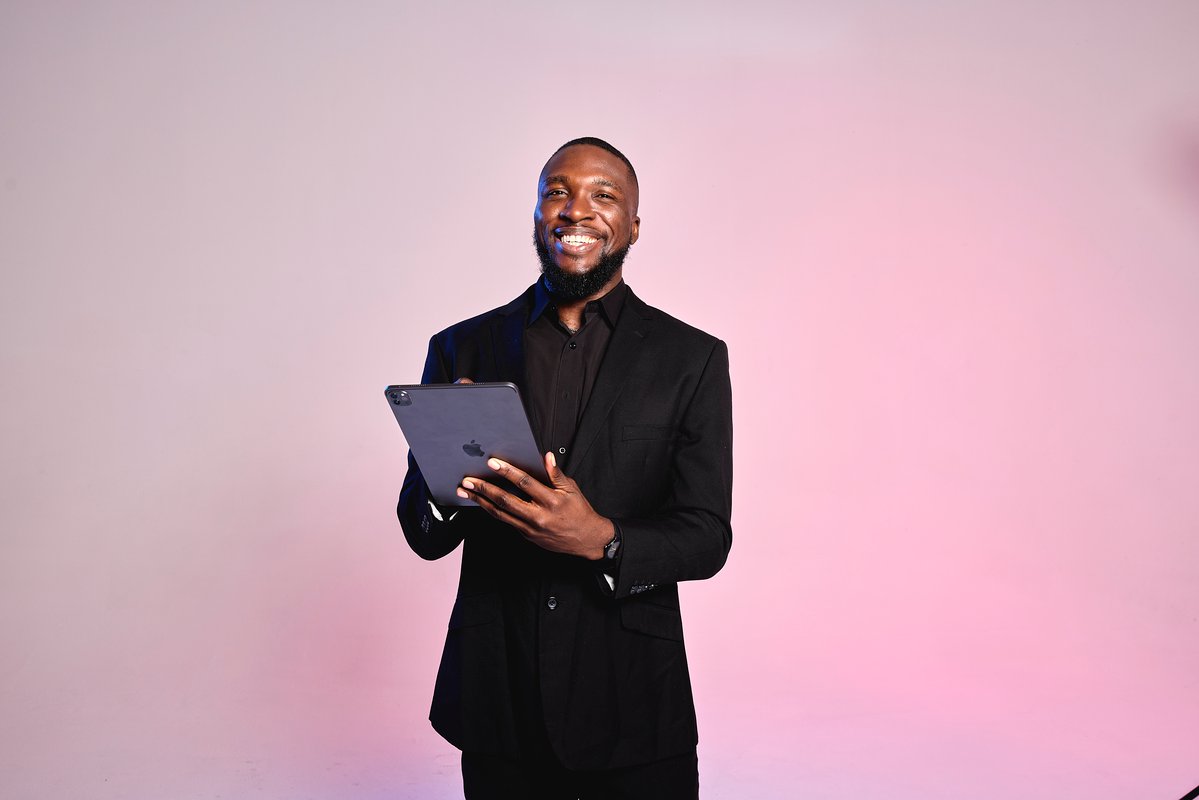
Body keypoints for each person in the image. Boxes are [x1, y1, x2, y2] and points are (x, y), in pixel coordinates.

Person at [397, 137, 733, 799]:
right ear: (535, 215)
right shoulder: (463, 346)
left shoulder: (690, 358)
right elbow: (423, 532)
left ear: (632, 224)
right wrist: (448, 479)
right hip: (499, 696)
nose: (575, 209)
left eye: (603, 195)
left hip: (634, 702)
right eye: (557, 190)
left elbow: (705, 534)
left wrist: (601, 539)